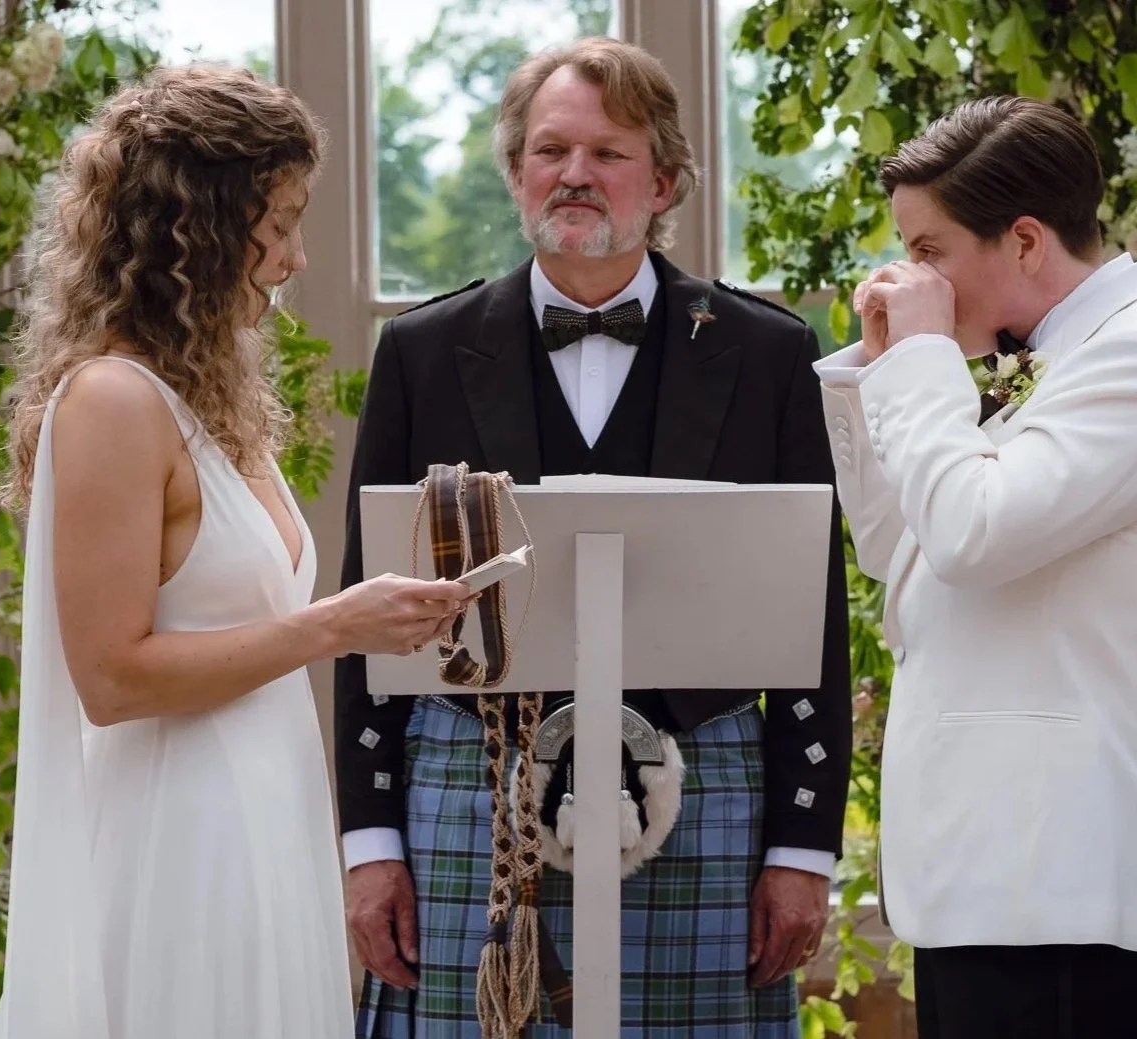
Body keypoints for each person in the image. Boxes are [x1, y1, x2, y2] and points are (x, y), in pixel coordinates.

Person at [336, 37, 851, 1039]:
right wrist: (369, 838)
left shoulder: (766, 351)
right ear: (516, 172)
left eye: (607, 154)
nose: (572, 174)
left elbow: (811, 613)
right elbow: (370, 615)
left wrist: (800, 847)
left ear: (662, 182)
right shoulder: (422, 352)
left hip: (705, 784)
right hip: (465, 782)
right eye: (547, 150)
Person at [0, 64, 469, 1039]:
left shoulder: (208, 396)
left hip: (266, 825)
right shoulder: (114, 401)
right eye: (279, 222)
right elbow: (111, 675)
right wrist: (335, 624)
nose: (293, 259)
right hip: (178, 849)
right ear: (197, 229)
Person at [815, 95, 1137, 1038]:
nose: (911, 276)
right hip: (998, 875)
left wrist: (923, 360)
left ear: (1027, 242)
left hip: (1064, 876)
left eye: (928, 251)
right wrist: (877, 372)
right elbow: (898, 548)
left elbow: (970, 532)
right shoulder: (1051, 355)